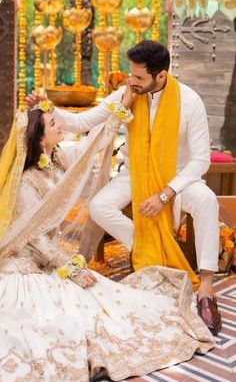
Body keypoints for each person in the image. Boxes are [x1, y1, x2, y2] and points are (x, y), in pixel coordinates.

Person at [0, 99, 215, 381]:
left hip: (52, 259)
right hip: (27, 264)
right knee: (60, 320)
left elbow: (90, 149)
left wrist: (117, 114)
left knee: (108, 302)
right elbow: (37, 239)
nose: (59, 124)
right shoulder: (28, 181)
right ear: (40, 140)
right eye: (53, 124)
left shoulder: (56, 160)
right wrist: (73, 269)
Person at [26, 40, 222, 336]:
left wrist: (166, 193)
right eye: (130, 74)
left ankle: (206, 288)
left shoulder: (190, 102)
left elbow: (200, 160)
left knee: (207, 200)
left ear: (161, 75)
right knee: (99, 206)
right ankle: (141, 246)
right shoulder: (127, 94)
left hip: (177, 178)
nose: (132, 81)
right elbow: (82, 121)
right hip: (135, 174)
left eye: (139, 77)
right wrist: (49, 110)